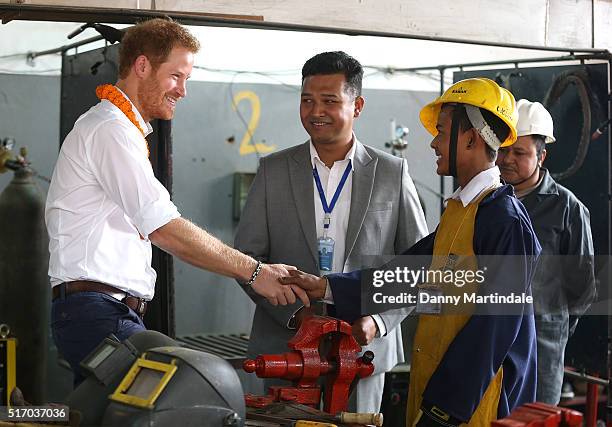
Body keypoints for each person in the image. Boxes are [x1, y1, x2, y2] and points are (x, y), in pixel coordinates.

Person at [45, 18, 308, 386]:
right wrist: (255, 271)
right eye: (177, 76)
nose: (183, 90)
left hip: (103, 312)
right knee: (188, 392)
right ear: (142, 66)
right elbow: (164, 227)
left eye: (187, 79)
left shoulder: (119, 130)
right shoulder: (110, 130)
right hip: (98, 313)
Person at [282, 78, 541, 426]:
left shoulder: (504, 221)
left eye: (443, 131)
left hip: (473, 405)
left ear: (471, 138)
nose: (434, 142)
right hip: (442, 395)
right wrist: (325, 287)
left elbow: (495, 327)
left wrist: (444, 410)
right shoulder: (462, 212)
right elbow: (404, 275)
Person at [234, 51, 428, 413]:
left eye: (329, 101)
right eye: (307, 100)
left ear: (357, 106)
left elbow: (417, 266)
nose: (315, 111)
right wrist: (296, 315)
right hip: (287, 342)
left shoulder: (391, 173)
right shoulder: (274, 170)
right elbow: (247, 259)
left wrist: (379, 321)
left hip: (363, 345)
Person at [496, 99, 596, 404]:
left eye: (519, 153)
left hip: (543, 346)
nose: (507, 159)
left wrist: (552, 324)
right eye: (502, 150)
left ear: (542, 156)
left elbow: (583, 287)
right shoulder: (485, 200)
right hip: (489, 340)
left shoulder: (567, 208)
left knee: (534, 419)